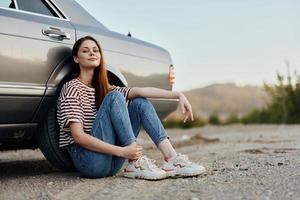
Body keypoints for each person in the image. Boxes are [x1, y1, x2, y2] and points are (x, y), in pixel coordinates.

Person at [57, 35, 205, 180]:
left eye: (96, 50)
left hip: (112, 162)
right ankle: (136, 161)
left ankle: (171, 159)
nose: (92, 53)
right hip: (89, 161)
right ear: (76, 58)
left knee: (139, 102)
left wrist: (178, 95)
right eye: (85, 50)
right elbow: (78, 136)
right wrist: (123, 151)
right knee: (115, 96)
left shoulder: (104, 88)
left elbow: (141, 91)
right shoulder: (72, 88)